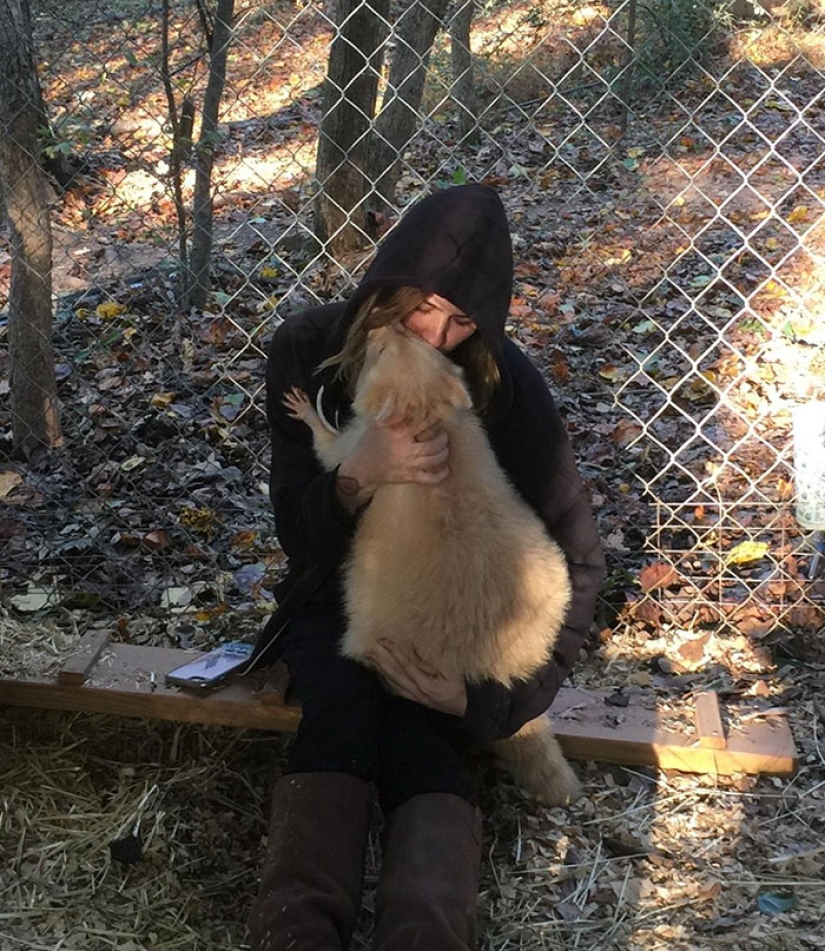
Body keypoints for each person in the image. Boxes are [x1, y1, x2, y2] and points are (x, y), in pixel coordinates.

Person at [244, 184, 606, 950]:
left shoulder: (504, 382)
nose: (439, 335)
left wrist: (484, 701)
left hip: (450, 615)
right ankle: (294, 931)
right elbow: (294, 530)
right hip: (341, 598)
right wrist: (355, 476)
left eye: (463, 319)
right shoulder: (305, 348)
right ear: (387, 285)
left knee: (426, 737)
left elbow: (579, 556)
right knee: (338, 713)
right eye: (422, 309)